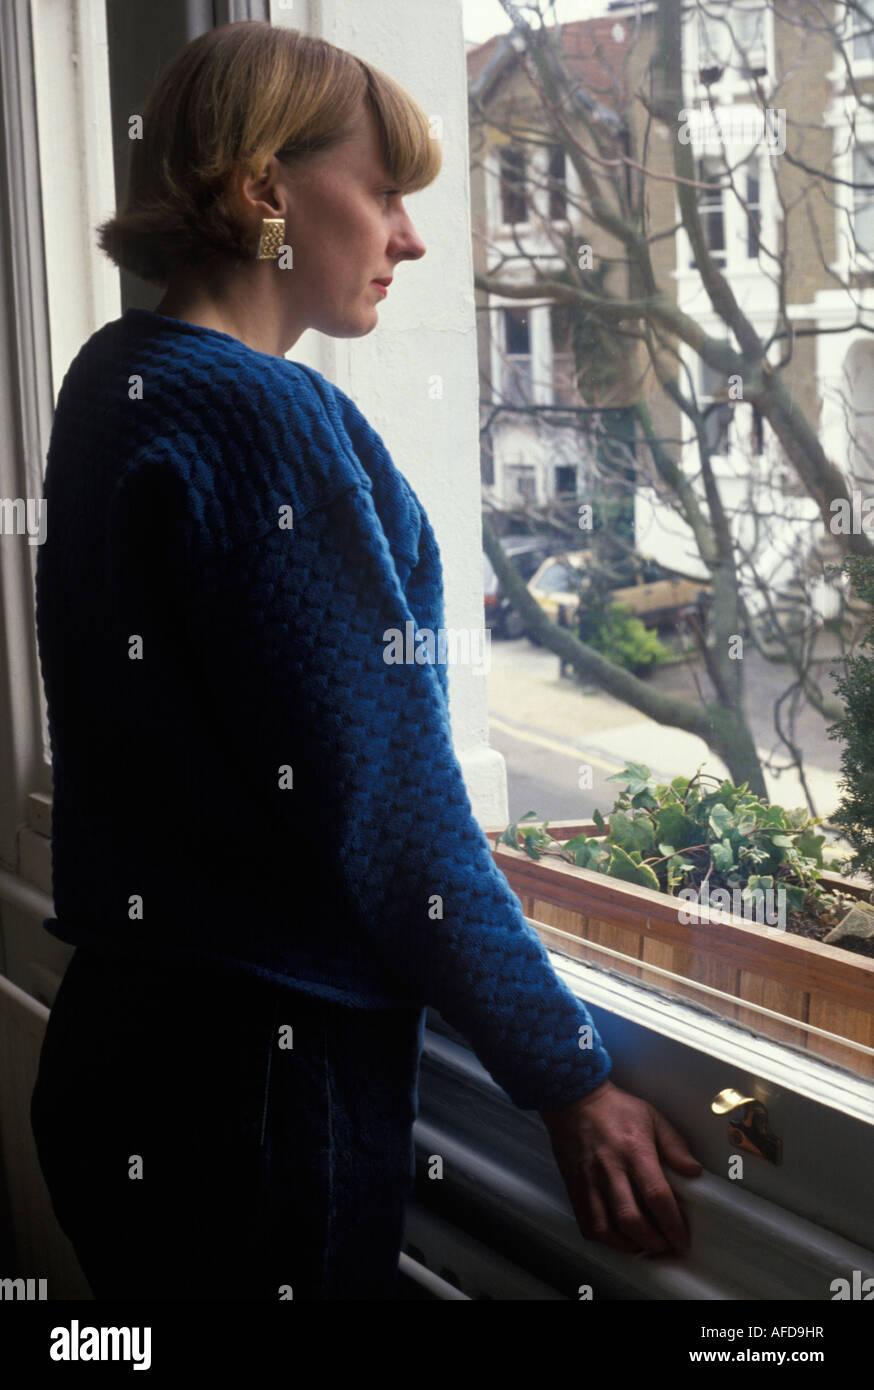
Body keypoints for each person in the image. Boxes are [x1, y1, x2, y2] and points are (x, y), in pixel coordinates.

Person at [30, 20, 702, 1302]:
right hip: (255, 1091)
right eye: (385, 191)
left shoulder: (115, 380)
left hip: (122, 1047)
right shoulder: (257, 413)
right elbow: (393, 814)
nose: (411, 237)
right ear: (265, 189)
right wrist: (567, 1074)